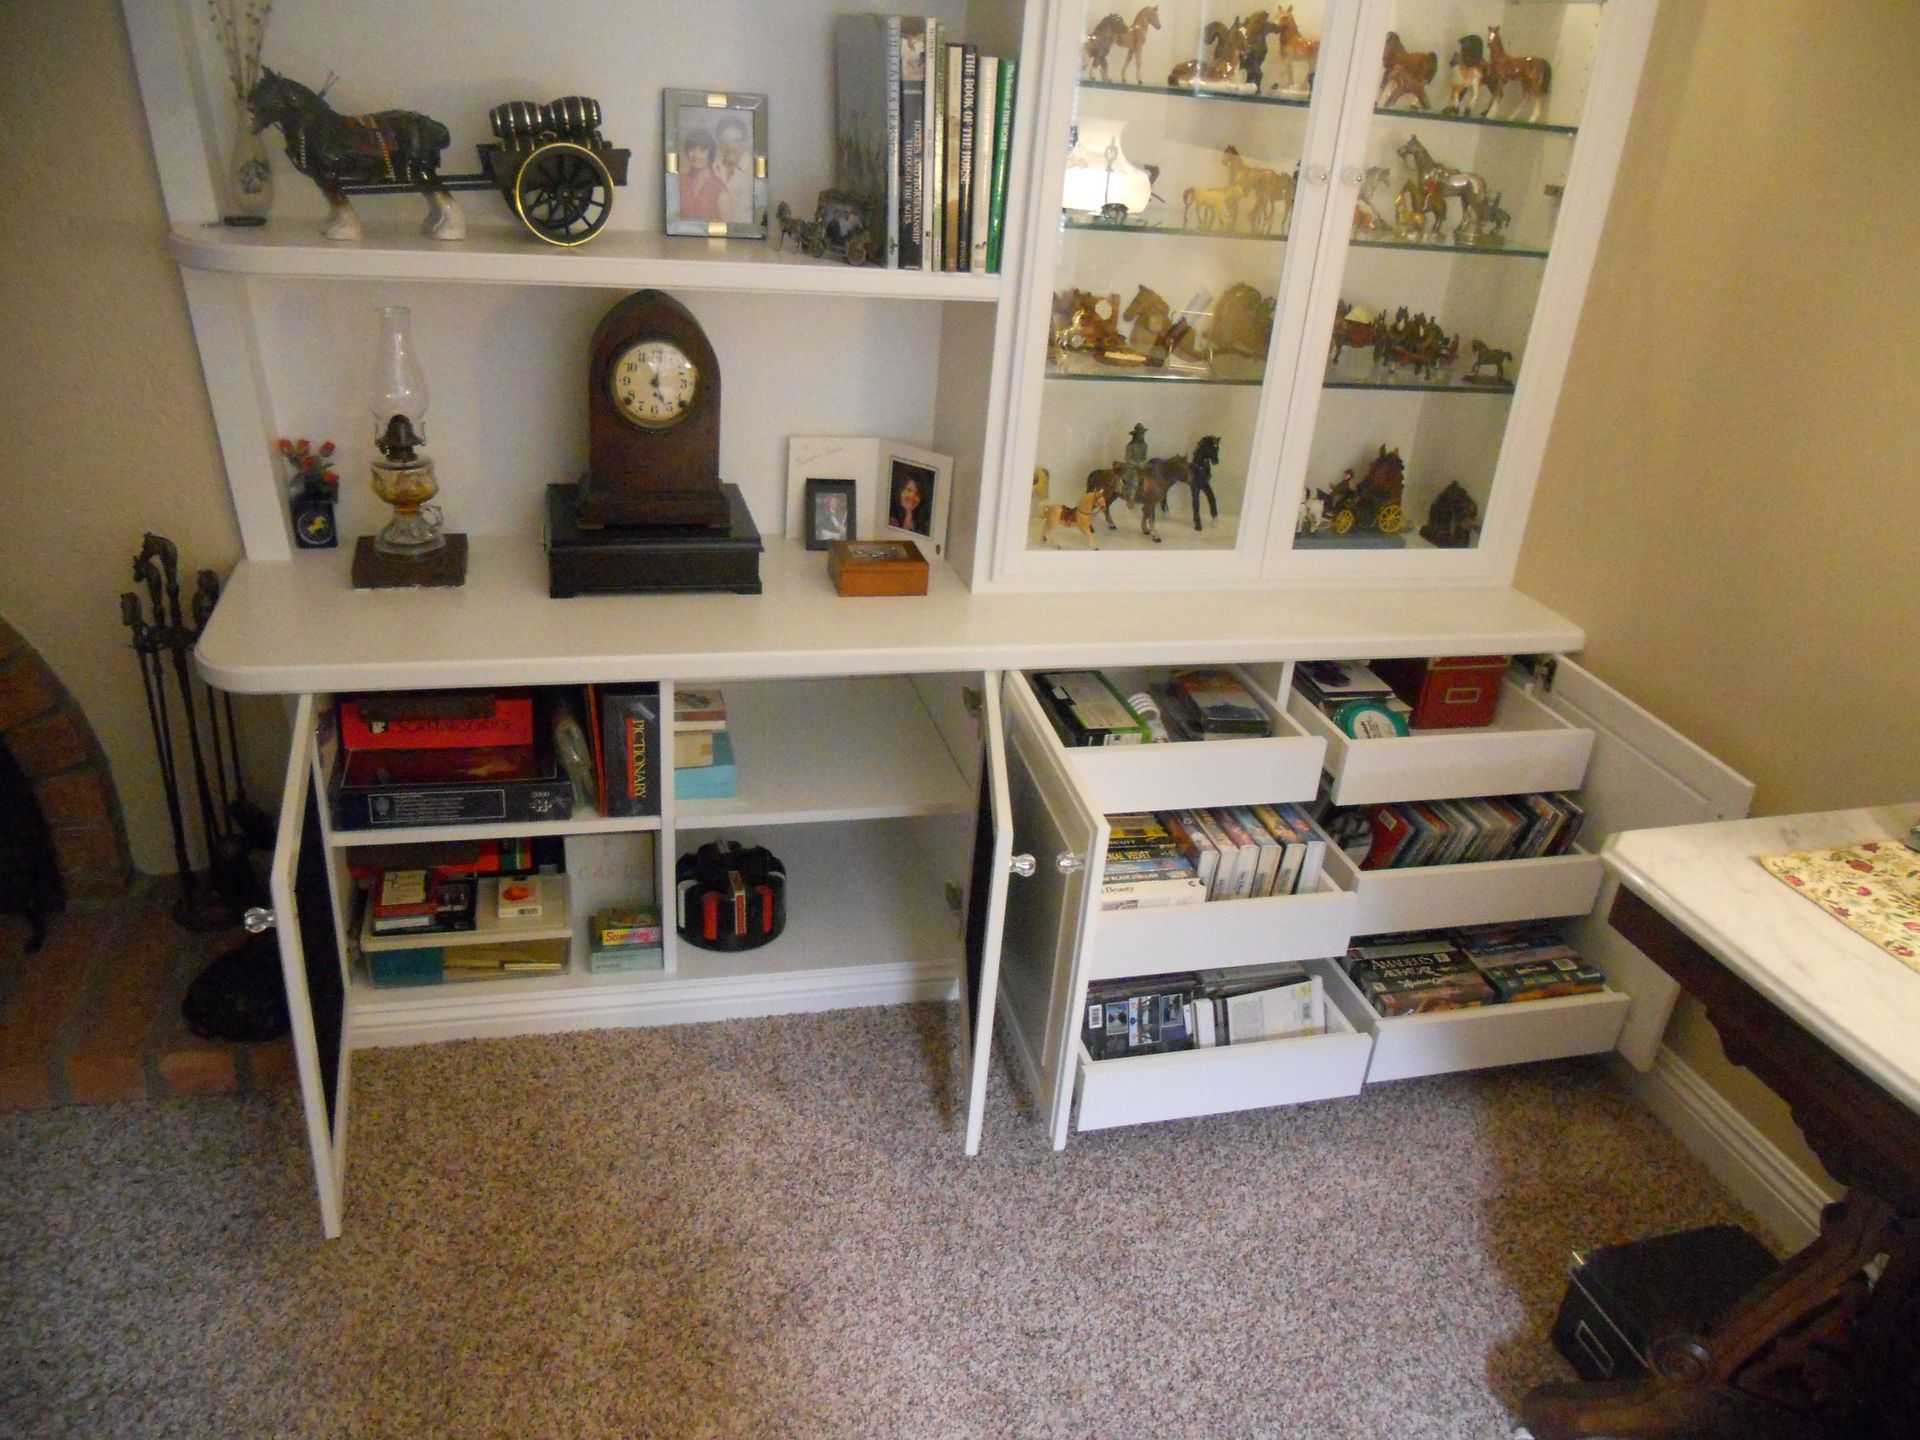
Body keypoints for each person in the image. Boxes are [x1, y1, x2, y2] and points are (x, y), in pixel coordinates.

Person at [712, 114, 755, 225]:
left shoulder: (754, 171)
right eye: (724, 142)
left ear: (743, 143)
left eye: (734, 141)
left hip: (746, 237)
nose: (729, 147)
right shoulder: (713, 168)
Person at [677, 128, 725, 223]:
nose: (696, 155)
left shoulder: (719, 188)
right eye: (692, 149)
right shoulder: (678, 182)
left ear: (710, 153)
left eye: (702, 150)